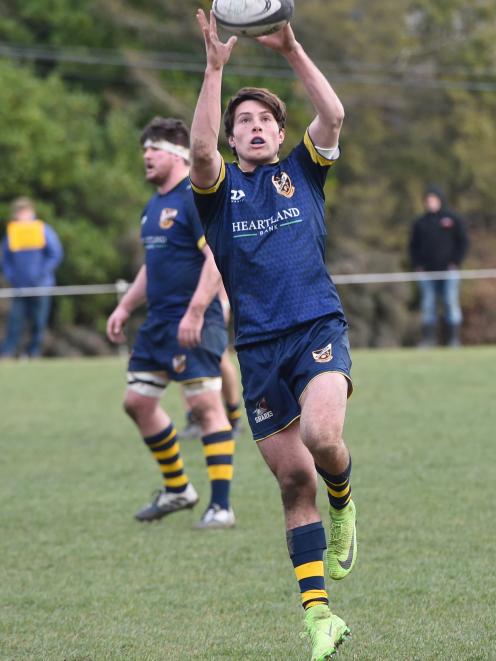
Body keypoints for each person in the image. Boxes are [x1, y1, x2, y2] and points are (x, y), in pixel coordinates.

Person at [189, 11, 357, 659]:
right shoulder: (219, 190)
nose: (254, 127)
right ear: (233, 140)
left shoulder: (303, 172)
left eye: (265, 121)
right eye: (244, 123)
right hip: (257, 350)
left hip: (316, 327)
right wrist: (214, 70)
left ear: (281, 134)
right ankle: (319, 617)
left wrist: (290, 50)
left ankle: (343, 498)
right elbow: (199, 153)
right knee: (292, 482)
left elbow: (335, 115)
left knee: (322, 438)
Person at [106, 116, 236, 529]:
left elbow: (217, 256)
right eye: (145, 148)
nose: (146, 155)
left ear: (179, 155)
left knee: (205, 407)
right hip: (159, 324)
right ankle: (179, 488)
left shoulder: (193, 199)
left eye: (155, 148)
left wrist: (196, 311)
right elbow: (153, 265)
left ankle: (221, 507)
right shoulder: (154, 205)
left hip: (193, 321)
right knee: (137, 403)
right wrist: (125, 307)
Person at [1, 197, 63, 358]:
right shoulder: (12, 233)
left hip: (41, 285)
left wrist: (42, 273)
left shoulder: (43, 230)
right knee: (15, 321)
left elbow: (55, 254)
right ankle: (7, 353)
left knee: (38, 322)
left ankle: (33, 352)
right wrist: (11, 276)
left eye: (25, 211)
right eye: (19, 212)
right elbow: (5, 259)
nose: (22, 215)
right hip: (19, 287)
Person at [180, 283, 243, 439]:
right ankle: (194, 419)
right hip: (181, 307)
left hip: (210, 308)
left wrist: (224, 303)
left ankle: (233, 415)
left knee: (220, 359)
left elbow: (215, 263)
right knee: (184, 362)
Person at [409, 185, 469, 348]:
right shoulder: (420, 223)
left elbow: (463, 242)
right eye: (427, 200)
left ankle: (453, 341)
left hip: (449, 272)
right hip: (427, 272)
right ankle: (428, 340)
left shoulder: (453, 219)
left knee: (451, 303)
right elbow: (413, 246)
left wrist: (455, 262)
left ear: (440, 200)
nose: (430, 203)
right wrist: (418, 265)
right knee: (428, 305)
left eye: (433, 200)